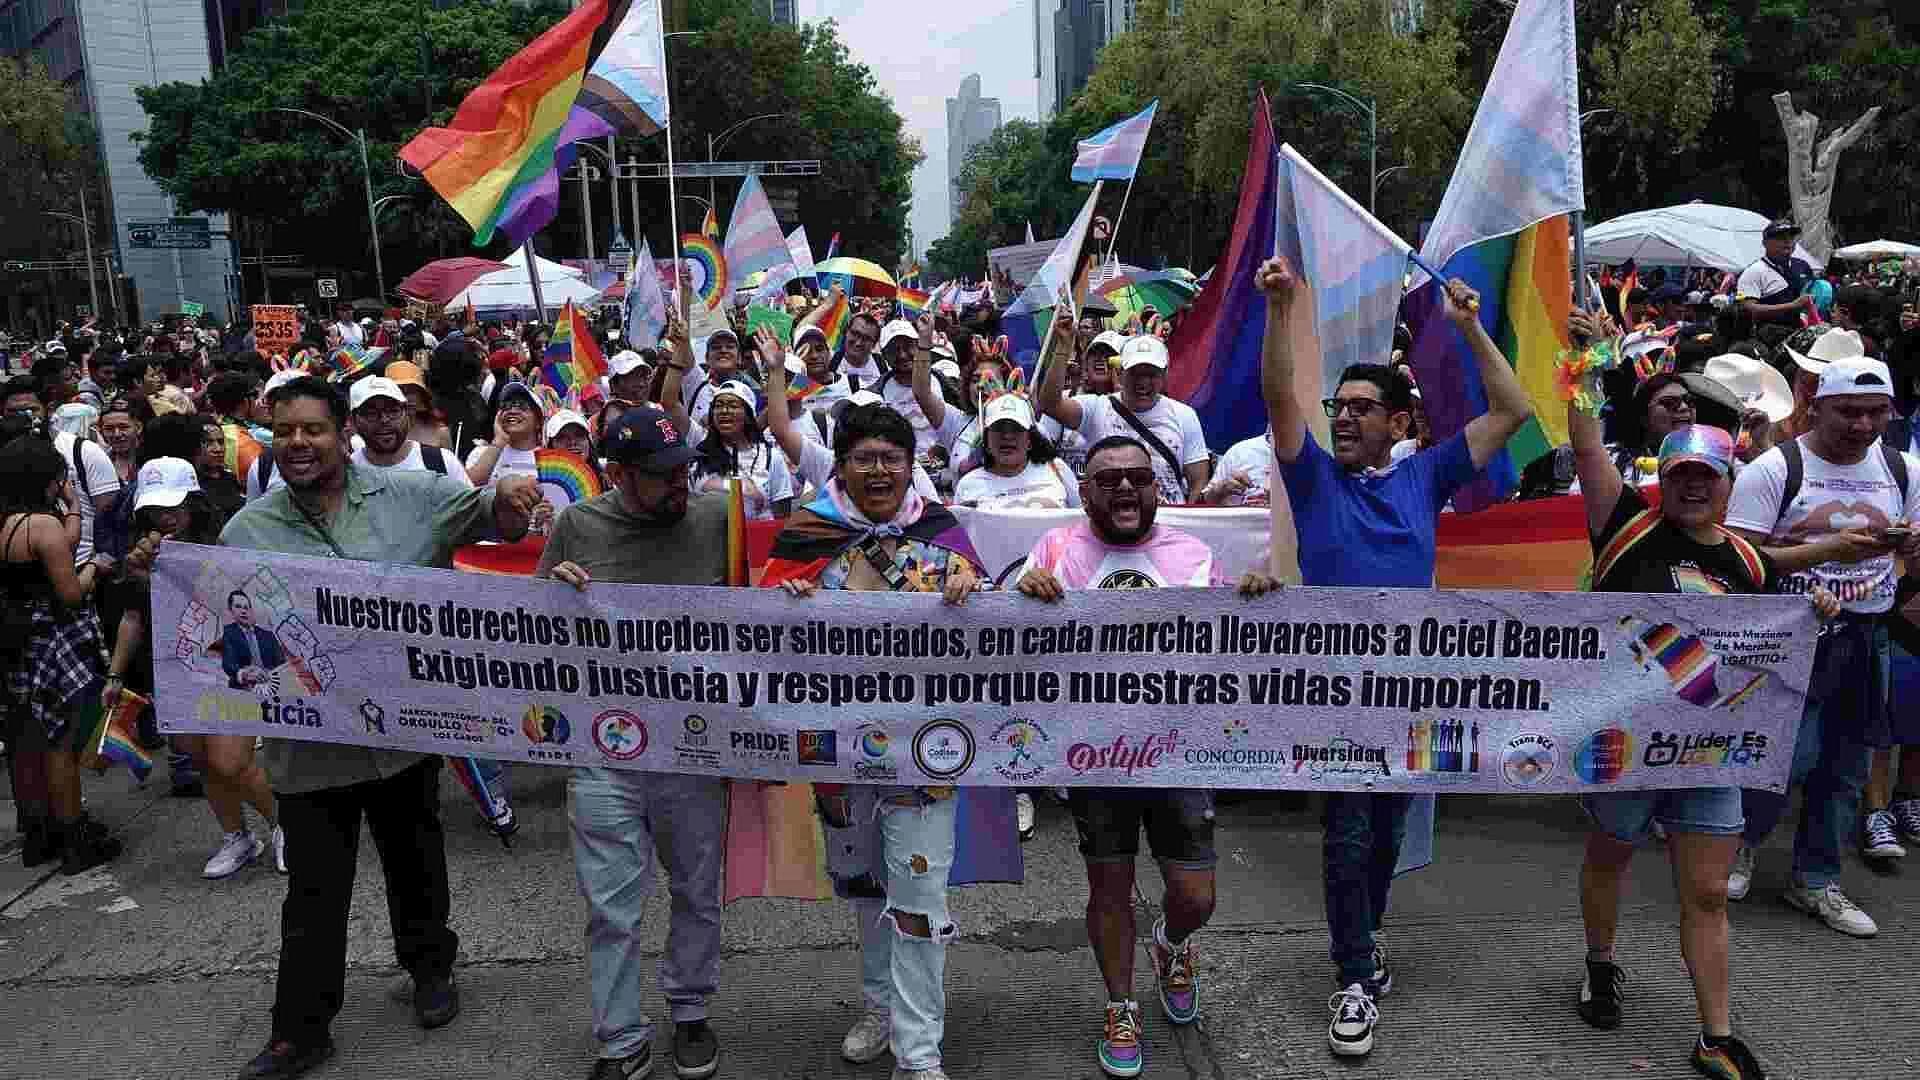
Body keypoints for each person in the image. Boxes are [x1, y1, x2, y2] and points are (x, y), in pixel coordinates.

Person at [165, 375, 541, 1079]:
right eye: (286, 431)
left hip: (401, 737)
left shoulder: (414, 498)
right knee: (313, 892)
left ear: (344, 434)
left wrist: (512, 500)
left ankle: (430, 971)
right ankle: (300, 1030)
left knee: (415, 862)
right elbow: (212, 616)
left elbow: (491, 519)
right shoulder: (249, 529)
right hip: (309, 751)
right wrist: (154, 574)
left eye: (313, 429)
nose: (299, 443)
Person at [1563, 311, 1866, 1080]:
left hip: (1707, 751)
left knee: (1706, 892)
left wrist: (1816, 606)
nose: (1693, 487)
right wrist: (1585, 354)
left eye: (1708, 476)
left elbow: (1778, 614)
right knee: (1610, 854)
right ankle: (1600, 962)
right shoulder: (1625, 527)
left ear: (1730, 485)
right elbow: (1588, 440)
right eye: (1680, 476)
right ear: (1662, 483)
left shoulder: (1746, 561)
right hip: (1624, 744)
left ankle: (1715, 1035)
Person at [1258, 254, 1533, 1058]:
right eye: (1337, 406)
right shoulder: (1312, 481)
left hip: (1416, 697)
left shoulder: (1427, 477)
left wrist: (1470, 328)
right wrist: (1280, 308)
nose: (1341, 418)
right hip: (1335, 700)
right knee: (1347, 833)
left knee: (1385, 835)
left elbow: (1512, 408)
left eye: (1360, 408)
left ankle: (1365, 940)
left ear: (1399, 425)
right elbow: (1281, 397)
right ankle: (1351, 977)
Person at [1015, 434, 1278, 1077]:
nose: (1126, 488)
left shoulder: (1192, 553)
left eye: (1139, 476)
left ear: (1157, 487)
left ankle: (1171, 942)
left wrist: (1253, 594)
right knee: (1108, 885)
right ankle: (1121, 1003)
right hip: (1094, 755)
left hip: (1179, 752)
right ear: (1085, 492)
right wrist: (1023, 593)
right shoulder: (1054, 550)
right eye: (1109, 480)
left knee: (1196, 896)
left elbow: (1230, 634)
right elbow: (1009, 634)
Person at [760, 402, 983, 1080]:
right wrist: (783, 606)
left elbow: (994, 641)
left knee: (918, 901)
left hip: (926, 753)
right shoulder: (804, 536)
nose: (879, 470)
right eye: (865, 457)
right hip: (839, 754)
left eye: (893, 457)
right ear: (842, 466)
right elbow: (756, 638)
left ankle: (919, 1055)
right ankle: (881, 1007)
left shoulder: (945, 534)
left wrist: (982, 589)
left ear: (912, 466)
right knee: (864, 890)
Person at [538, 405, 728, 1080]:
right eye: (660, 477)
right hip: (604, 747)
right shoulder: (576, 527)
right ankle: (620, 1041)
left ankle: (690, 1009)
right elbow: (527, 635)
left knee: (698, 891)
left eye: (685, 471)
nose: (681, 487)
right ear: (616, 473)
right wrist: (554, 597)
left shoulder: (717, 518)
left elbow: (762, 611)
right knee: (611, 907)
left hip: (697, 745)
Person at [1723, 356, 1920, 938]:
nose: (1863, 425)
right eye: (1849, 412)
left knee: (1848, 766)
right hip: (1791, 637)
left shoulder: (1903, 470)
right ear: (1816, 407)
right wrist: (1829, 550)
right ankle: (1737, 847)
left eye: (1875, 412)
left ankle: (1815, 880)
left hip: (1867, 634)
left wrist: (1908, 547)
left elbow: (1911, 562)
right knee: (1786, 756)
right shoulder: (1774, 469)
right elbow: (1739, 561)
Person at [116, 458, 287, 879]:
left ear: (194, 502)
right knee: (202, 759)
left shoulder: (226, 542)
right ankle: (237, 837)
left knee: (230, 760)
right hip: (178, 672)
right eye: (154, 510)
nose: (164, 517)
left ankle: (288, 826)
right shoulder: (145, 554)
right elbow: (133, 618)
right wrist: (115, 675)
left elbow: (241, 607)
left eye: (173, 507)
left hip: (232, 668)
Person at [0, 427, 118, 874]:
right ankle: (74, 837)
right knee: (62, 745)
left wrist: (72, 511)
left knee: (29, 740)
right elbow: (70, 593)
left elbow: (57, 543)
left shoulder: (14, 525)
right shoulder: (42, 526)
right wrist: (93, 569)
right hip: (54, 645)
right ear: (45, 478)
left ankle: (41, 831)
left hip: (18, 648)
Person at [1036, 331, 1211, 505]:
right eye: (1135, 373)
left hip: (1169, 523)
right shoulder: (1097, 408)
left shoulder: (1184, 415)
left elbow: (1198, 481)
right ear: (1119, 373)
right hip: (1112, 522)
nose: (1143, 382)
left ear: (1165, 375)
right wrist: (1063, 347)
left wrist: (1187, 521)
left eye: (1151, 374)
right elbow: (1050, 404)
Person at [661, 350, 793, 520]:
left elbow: (782, 518)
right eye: (719, 405)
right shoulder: (699, 446)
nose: (724, 411)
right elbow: (669, 402)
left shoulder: (770, 456)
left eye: (732, 405)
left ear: (748, 415)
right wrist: (680, 349)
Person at [3, 376, 120, 567]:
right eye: (12, 412)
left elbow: (109, 516)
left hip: (81, 568)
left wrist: (97, 565)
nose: (22, 418)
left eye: (31, 410)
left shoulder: (83, 451)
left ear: (48, 409)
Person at [1736, 219, 1818, 340]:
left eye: (1791, 236)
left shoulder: (1803, 266)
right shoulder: (1753, 272)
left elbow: (1812, 294)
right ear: (1765, 243)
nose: (1787, 241)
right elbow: (1747, 309)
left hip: (1804, 334)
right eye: (1780, 237)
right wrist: (1791, 306)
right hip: (1770, 338)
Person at [464, 381, 543, 488]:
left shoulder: (551, 460)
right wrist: (499, 442)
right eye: (505, 406)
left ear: (538, 422)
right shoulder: (481, 453)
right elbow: (465, 489)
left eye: (522, 406)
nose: (512, 411)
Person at [379, 359, 448, 449]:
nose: (408, 398)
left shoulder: (440, 432)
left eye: (413, 391)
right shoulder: (377, 433)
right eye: (401, 390)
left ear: (421, 396)